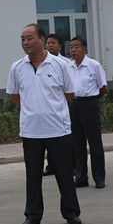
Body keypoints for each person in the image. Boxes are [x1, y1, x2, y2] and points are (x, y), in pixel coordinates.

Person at [7, 23, 81, 224]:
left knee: (64, 174)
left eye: (29, 38)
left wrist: (50, 109)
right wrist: (33, 110)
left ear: (42, 40)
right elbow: (15, 95)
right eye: (22, 39)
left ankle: (71, 213)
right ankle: (33, 215)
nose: (25, 42)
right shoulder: (17, 67)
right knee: (33, 176)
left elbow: (69, 93)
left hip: (58, 129)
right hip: (31, 131)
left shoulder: (60, 65)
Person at [67, 36, 108, 189]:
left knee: (94, 142)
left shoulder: (94, 65)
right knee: (77, 143)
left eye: (76, 47)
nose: (73, 50)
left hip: (90, 104)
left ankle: (99, 178)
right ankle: (81, 177)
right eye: (71, 47)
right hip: (74, 105)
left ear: (85, 49)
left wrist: (92, 100)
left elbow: (103, 88)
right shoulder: (68, 67)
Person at [42, 33, 63, 177]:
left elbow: (69, 90)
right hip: (46, 107)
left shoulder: (64, 63)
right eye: (48, 43)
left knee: (64, 138)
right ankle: (51, 166)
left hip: (61, 105)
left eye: (53, 43)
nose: (50, 45)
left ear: (60, 46)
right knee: (48, 136)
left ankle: (70, 165)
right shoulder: (42, 63)